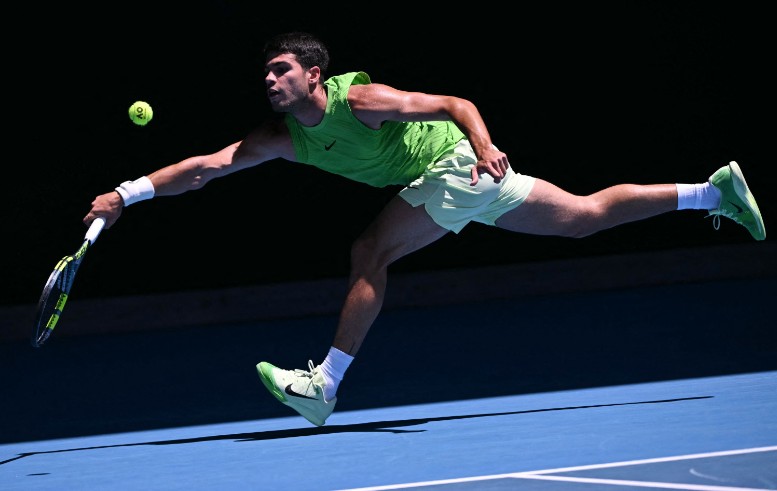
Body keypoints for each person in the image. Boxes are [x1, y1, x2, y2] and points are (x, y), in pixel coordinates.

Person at [83, 31, 766, 427]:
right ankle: (712, 188)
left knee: (368, 250)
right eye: (264, 70)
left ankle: (324, 385)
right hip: (459, 180)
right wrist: (126, 192)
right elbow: (204, 167)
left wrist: (486, 143)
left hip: (458, 166)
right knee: (582, 218)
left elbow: (451, 100)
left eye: (280, 68)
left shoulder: (359, 99)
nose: (268, 77)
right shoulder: (283, 137)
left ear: (312, 74)